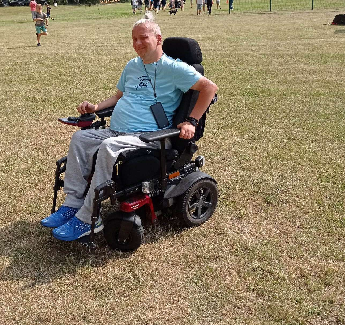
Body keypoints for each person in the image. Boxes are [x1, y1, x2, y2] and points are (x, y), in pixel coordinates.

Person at [41, 13, 218, 241]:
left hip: (149, 137)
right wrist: (96, 107)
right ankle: (73, 204)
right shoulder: (132, 65)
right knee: (80, 139)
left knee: (108, 146)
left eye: (143, 38)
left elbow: (209, 88)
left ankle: (88, 218)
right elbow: (118, 97)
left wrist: (192, 121)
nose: (137, 43)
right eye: (134, 39)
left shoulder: (174, 68)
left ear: (158, 39)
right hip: (118, 131)